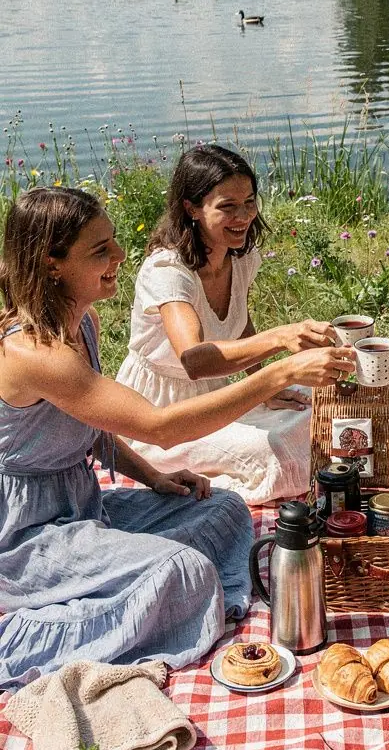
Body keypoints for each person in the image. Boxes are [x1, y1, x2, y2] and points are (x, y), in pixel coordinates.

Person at [0, 187, 353, 688]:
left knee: (226, 509)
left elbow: (89, 426)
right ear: (51, 264)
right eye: (100, 250)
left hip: (81, 504)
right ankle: (26, 632)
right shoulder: (35, 352)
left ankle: (174, 599)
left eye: (113, 242)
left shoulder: (84, 323)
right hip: (27, 535)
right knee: (180, 571)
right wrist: (275, 375)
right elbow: (159, 427)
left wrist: (152, 477)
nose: (120, 256)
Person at [117, 145, 333, 503]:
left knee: (318, 406)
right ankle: (188, 488)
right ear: (192, 209)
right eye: (227, 206)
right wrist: (280, 338)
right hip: (163, 412)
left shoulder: (242, 256)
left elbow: (239, 323)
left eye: (249, 202)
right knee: (277, 453)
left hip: (218, 395)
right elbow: (196, 360)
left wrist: (264, 382)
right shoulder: (168, 271)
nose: (244, 216)